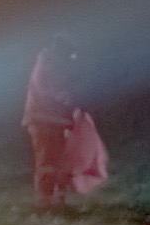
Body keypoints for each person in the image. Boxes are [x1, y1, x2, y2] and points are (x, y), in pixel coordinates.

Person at [22, 35, 107, 211]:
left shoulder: (49, 63)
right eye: (69, 55)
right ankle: (45, 202)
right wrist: (75, 101)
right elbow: (57, 93)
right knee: (47, 161)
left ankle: (56, 200)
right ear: (60, 51)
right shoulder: (49, 65)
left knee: (59, 160)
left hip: (53, 121)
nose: (70, 59)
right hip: (43, 121)